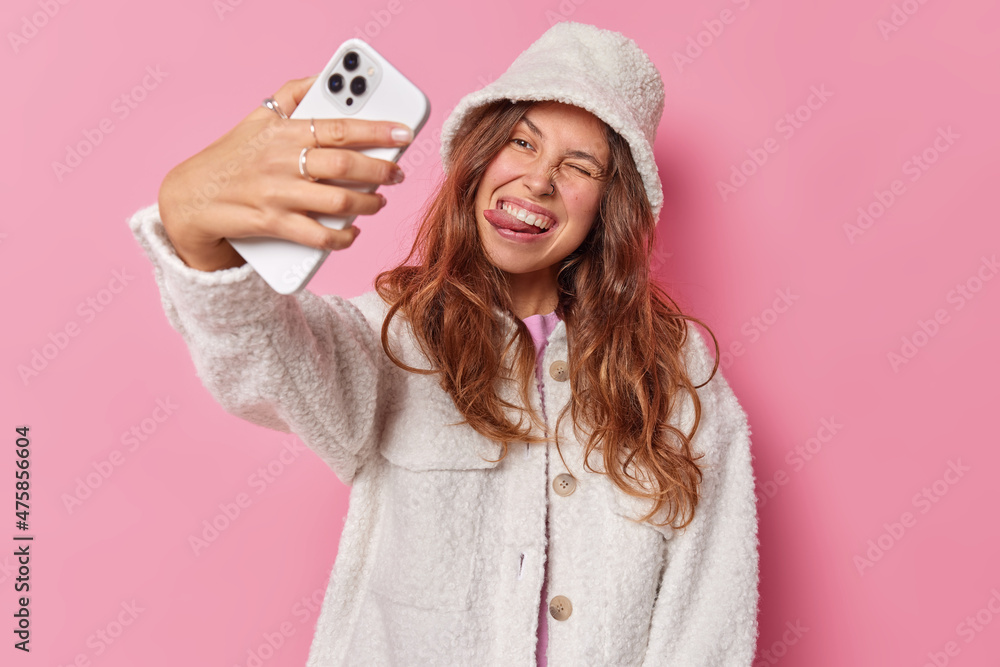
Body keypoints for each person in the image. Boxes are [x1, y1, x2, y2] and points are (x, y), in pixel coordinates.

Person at [128, 21, 760, 666]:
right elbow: (268, 362)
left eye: (578, 166)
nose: (539, 180)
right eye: (521, 142)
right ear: (481, 157)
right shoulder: (396, 335)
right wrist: (200, 246)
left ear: (610, 205)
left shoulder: (677, 367)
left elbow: (711, 603)